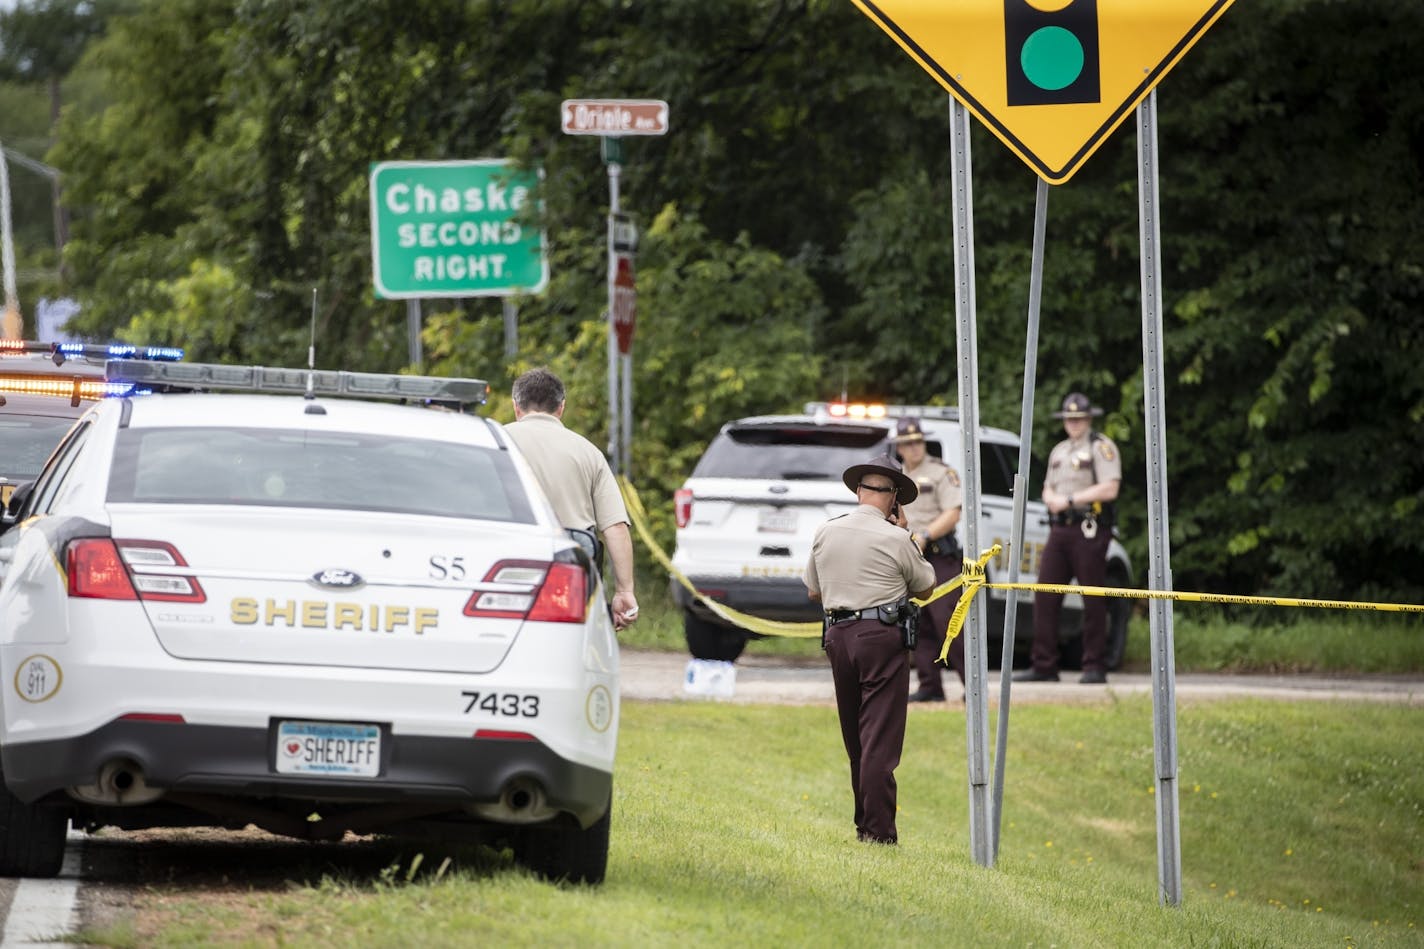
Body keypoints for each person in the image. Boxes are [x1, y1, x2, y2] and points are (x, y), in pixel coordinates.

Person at [804, 453, 935, 845]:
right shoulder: (897, 538)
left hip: (837, 636)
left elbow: (813, 589)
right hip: (881, 636)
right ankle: (878, 833)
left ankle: (865, 823)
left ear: (859, 492)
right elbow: (926, 586)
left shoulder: (827, 531)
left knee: (856, 738)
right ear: (894, 500)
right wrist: (906, 535)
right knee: (879, 737)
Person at [505, 367, 638, 631]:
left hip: (507, 568)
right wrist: (624, 591)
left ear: (516, 407)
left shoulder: (495, 442)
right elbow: (615, 528)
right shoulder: (589, 453)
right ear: (561, 407)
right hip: (570, 579)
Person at [1015, 392, 1121, 684]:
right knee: (1045, 593)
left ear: (1088, 419)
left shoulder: (1101, 447)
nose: (1073, 423)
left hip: (1089, 527)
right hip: (1059, 529)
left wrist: (1071, 499)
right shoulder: (1059, 451)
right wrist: (1051, 498)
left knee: (1093, 596)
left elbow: (1110, 488)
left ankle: (1094, 665)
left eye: (1079, 418)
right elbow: (1047, 487)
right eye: (1069, 418)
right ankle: (1044, 665)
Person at [893, 417, 965, 702]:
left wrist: (925, 535)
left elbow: (953, 512)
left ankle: (971, 686)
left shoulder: (940, 473)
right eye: (907, 443)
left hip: (938, 556)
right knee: (917, 623)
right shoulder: (895, 476)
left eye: (917, 441)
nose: (913, 448)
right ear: (899, 447)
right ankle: (929, 685)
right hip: (908, 558)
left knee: (951, 623)